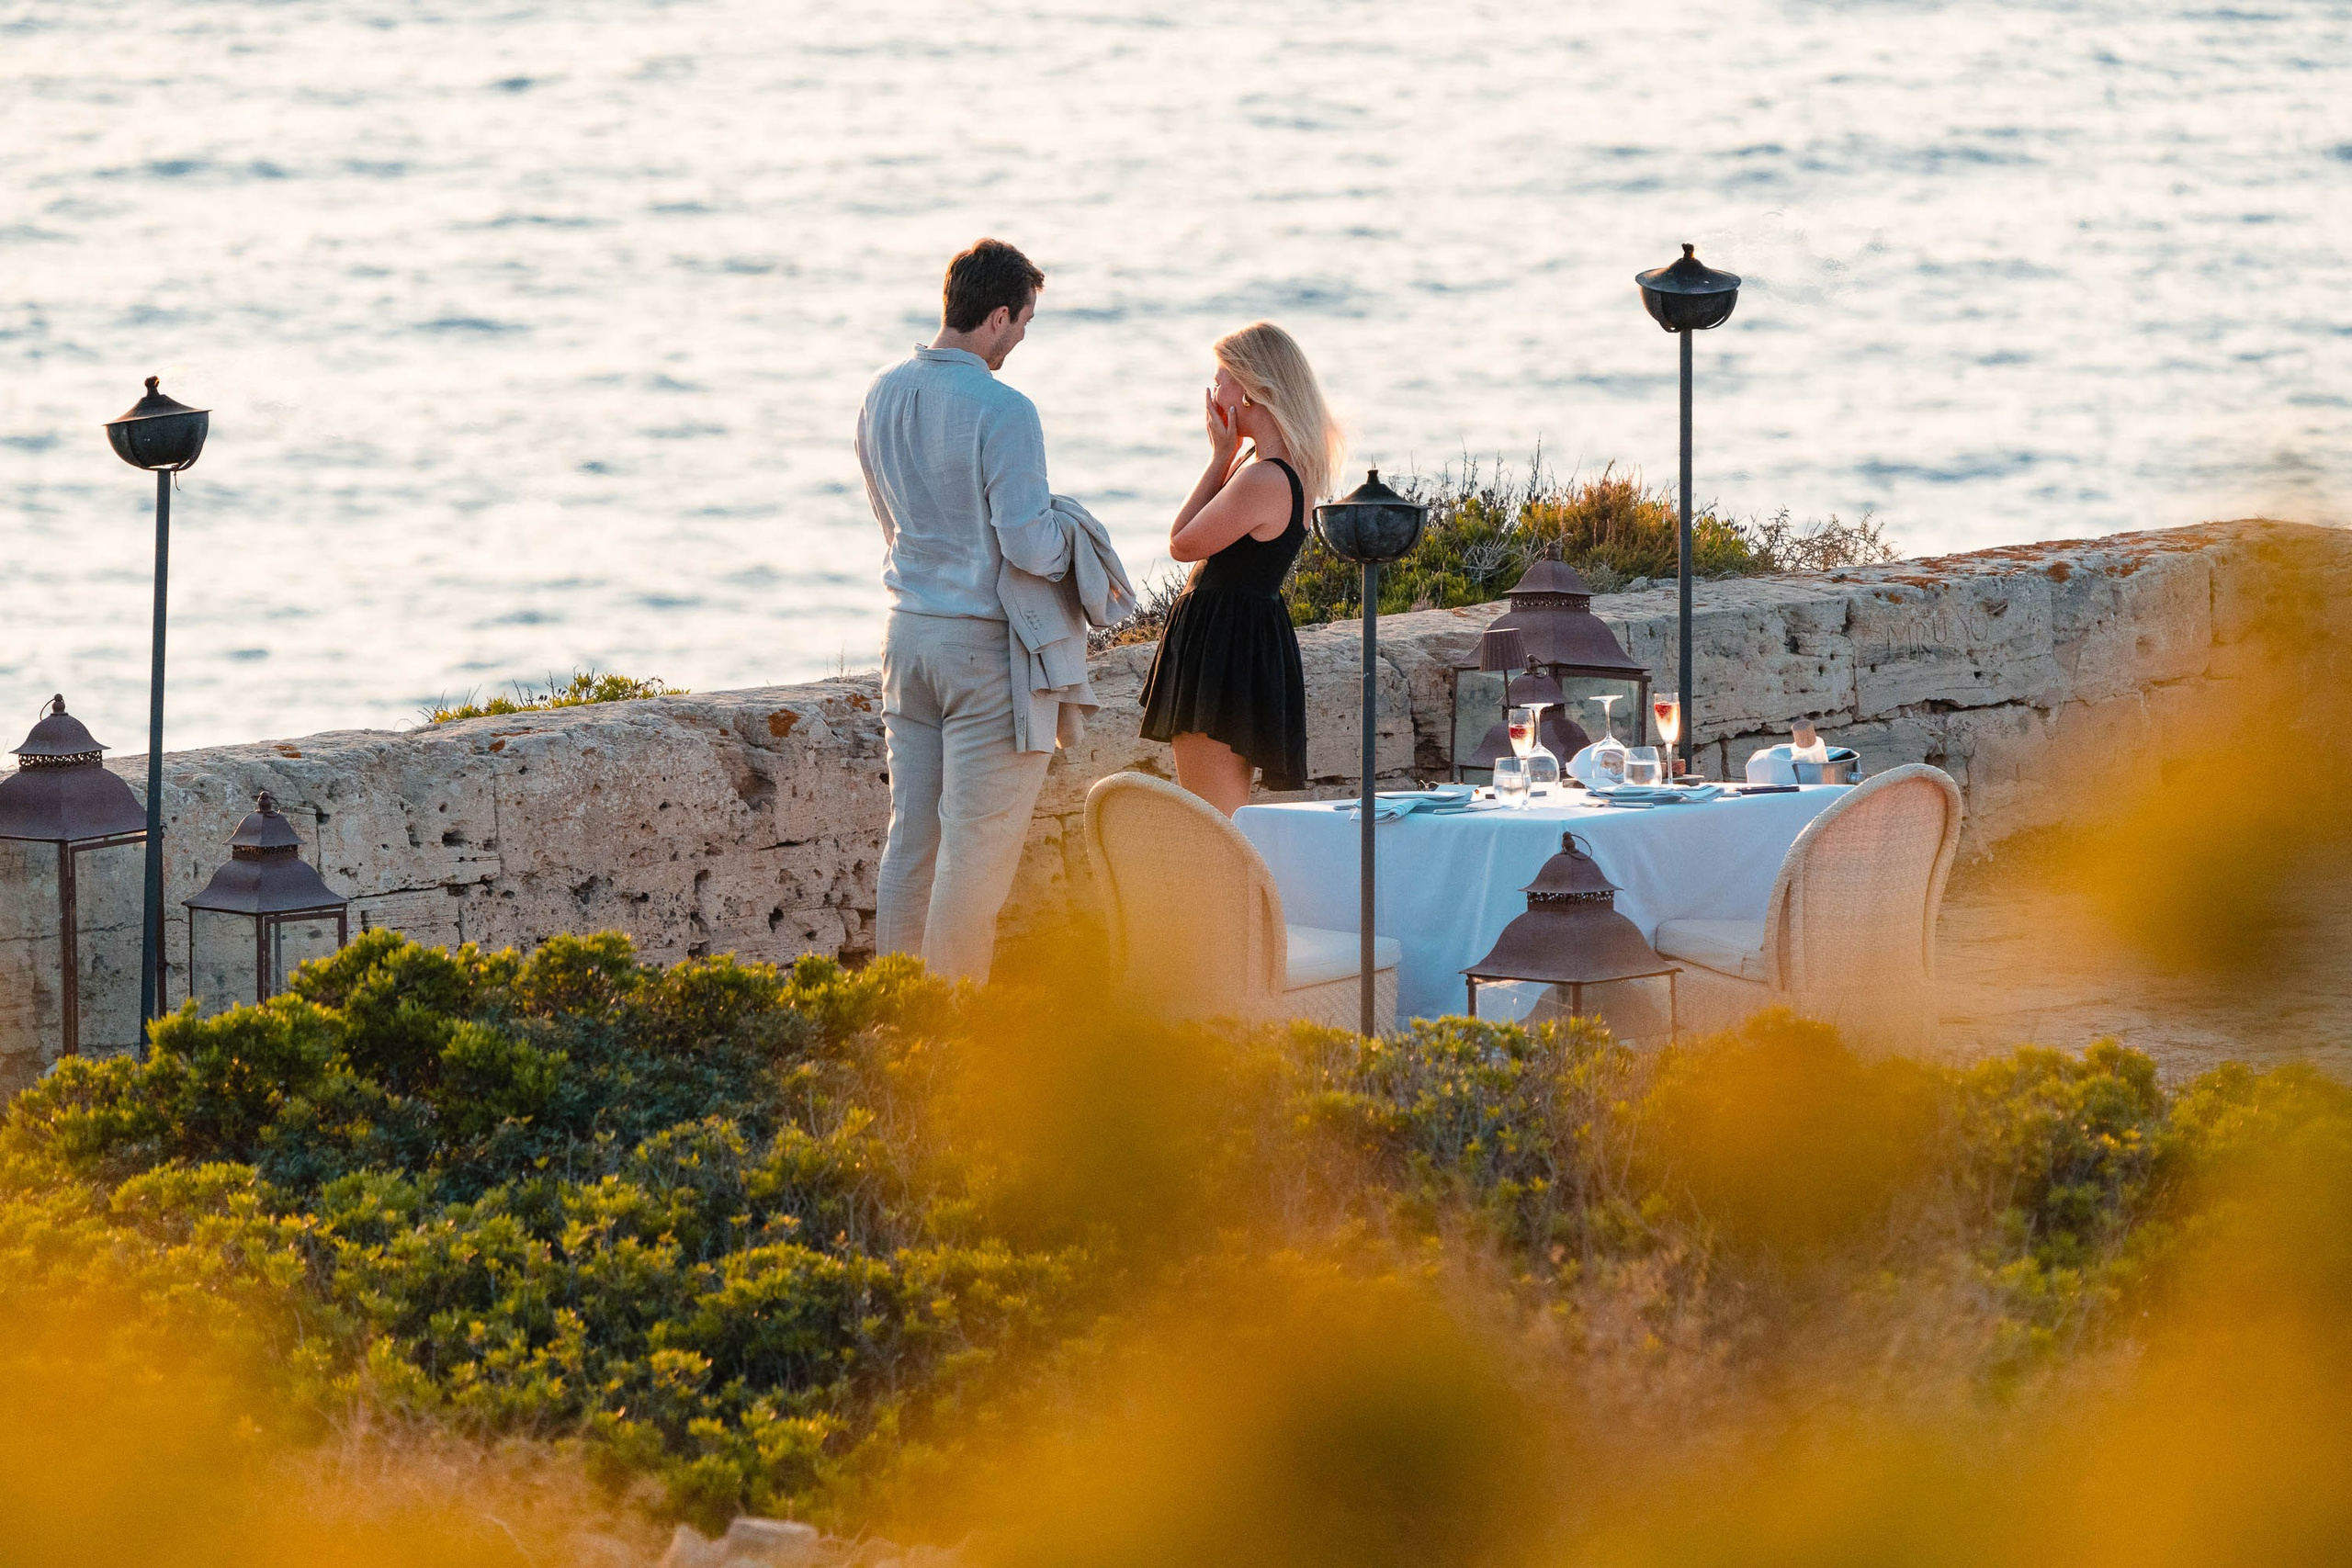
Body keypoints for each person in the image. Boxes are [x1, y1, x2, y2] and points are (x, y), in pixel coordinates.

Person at [856, 237, 1080, 985]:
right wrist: (1075, 537)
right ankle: (949, 1031)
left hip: (906, 635)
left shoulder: (880, 392)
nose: (1020, 339)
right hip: (983, 648)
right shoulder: (1005, 409)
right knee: (973, 859)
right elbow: (1027, 545)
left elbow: (887, 520)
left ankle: (895, 1013)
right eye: (1023, 323)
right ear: (997, 316)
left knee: (910, 841)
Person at [1136, 321, 1345, 816]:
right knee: (1223, 815)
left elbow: (1182, 543)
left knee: (1211, 819)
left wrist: (1219, 457)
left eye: (1221, 380)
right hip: (1242, 641)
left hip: (1222, 648)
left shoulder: (1263, 477)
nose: (1213, 393)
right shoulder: (1287, 469)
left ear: (1251, 390)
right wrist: (1229, 456)